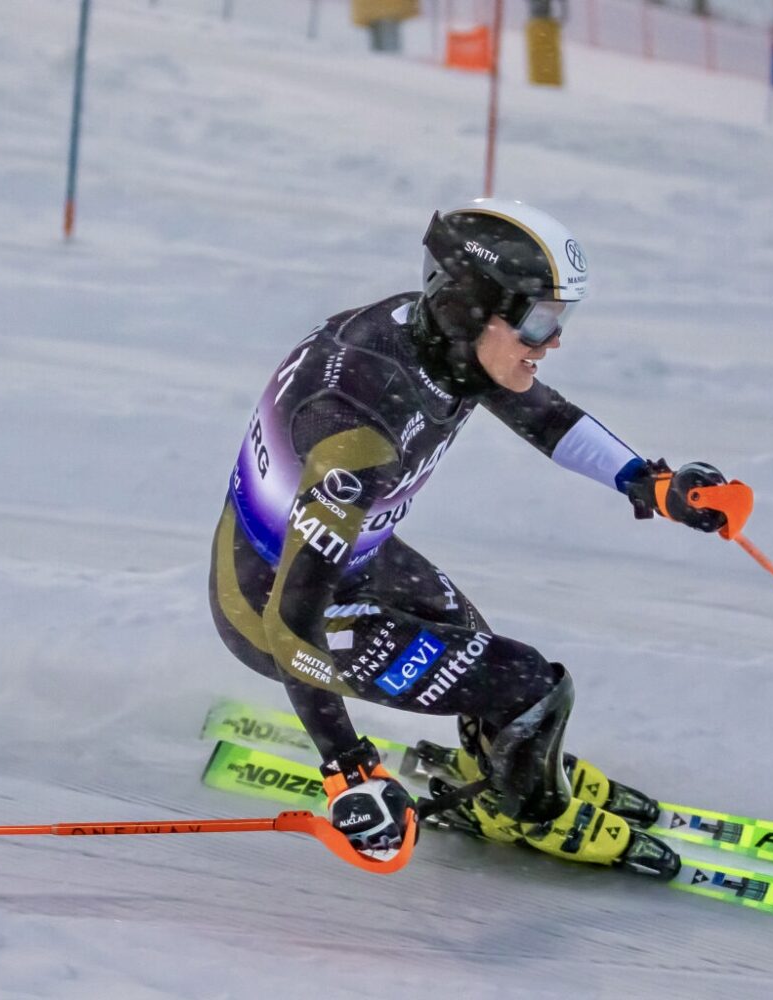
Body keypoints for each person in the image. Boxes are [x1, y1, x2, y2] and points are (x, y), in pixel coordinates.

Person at [210, 199, 736, 878]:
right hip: (273, 608)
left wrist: (649, 483)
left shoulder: (438, 342)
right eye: (541, 320)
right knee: (529, 687)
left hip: (346, 558)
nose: (553, 343)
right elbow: (292, 621)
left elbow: (540, 413)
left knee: (489, 665)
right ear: (472, 308)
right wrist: (349, 771)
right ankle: (533, 808)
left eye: (560, 318)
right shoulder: (356, 433)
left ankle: (507, 767)